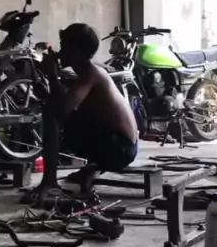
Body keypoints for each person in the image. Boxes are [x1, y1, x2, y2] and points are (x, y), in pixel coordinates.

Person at [34, 23, 139, 197]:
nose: (61, 52)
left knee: (51, 113)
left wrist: (52, 74)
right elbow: (64, 102)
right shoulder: (86, 73)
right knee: (55, 110)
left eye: (64, 47)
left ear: (75, 50)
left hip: (121, 149)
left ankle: (50, 181)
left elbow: (61, 110)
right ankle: (93, 167)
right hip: (123, 146)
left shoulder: (91, 74)